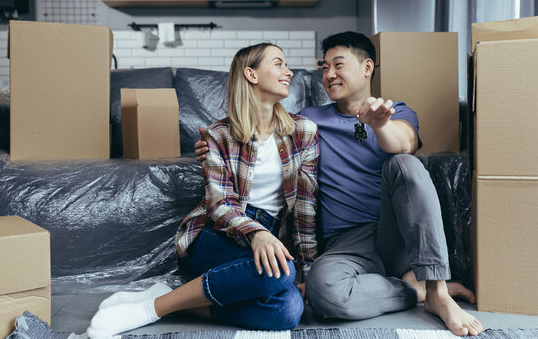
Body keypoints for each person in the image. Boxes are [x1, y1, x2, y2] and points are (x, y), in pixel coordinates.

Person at [195, 32, 483, 336]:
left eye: (338, 65)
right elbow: (259, 128)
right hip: (346, 244)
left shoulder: (395, 111)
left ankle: (438, 292)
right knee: (323, 293)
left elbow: (404, 143)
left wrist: (379, 125)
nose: (329, 74)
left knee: (405, 162)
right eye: (324, 67)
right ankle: (414, 290)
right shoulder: (308, 121)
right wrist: (209, 147)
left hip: (395, 233)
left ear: (367, 67)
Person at [86, 43, 319, 337]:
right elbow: (219, 204)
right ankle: (151, 309)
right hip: (218, 233)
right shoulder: (217, 134)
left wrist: (307, 270)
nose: (289, 72)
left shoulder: (304, 131)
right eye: (279, 64)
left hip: (274, 233)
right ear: (252, 74)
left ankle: (176, 302)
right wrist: (256, 233)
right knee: (280, 273)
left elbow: (305, 208)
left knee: (287, 311)